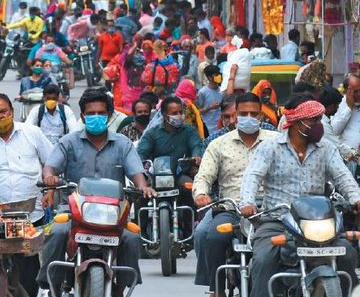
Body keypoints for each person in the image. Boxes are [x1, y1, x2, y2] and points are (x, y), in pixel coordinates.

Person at [37, 90, 156, 296]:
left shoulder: (122, 143)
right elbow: (50, 167)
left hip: (113, 212)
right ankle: (52, 285)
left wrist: (143, 185)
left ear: (109, 115)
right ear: (82, 116)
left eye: (101, 113)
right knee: (56, 233)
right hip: (73, 209)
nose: (96, 117)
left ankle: (120, 289)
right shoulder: (68, 142)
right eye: (90, 113)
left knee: (131, 238)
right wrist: (50, 177)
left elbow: (136, 172)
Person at [240, 95, 360, 297]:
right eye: (314, 121)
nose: (319, 125)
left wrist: (356, 198)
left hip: (318, 222)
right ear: (297, 123)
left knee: (347, 254)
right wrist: (248, 203)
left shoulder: (326, 148)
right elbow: (253, 176)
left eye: (320, 120)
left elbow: (343, 177)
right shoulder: (270, 147)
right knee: (263, 259)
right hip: (278, 220)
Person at [0, 93, 53, 297]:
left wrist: (50, 190)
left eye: (3, 111)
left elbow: (51, 165)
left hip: (31, 214)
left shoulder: (32, 133)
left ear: (12, 111)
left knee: (28, 270)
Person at [193, 93, 275, 296]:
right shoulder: (218, 144)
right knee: (213, 237)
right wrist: (201, 194)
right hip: (232, 209)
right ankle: (218, 289)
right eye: (244, 113)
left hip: (270, 210)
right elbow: (203, 176)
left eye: (254, 114)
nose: (249, 117)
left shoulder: (276, 141)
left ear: (261, 116)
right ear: (236, 115)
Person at [137, 96, 202, 215]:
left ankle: (191, 225)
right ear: (164, 115)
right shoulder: (152, 133)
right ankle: (141, 227)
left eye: (180, 112)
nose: (179, 115)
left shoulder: (189, 131)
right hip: (156, 176)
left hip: (180, 174)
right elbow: (141, 152)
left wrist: (196, 156)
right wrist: (142, 163)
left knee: (190, 188)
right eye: (174, 113)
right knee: (141, 194)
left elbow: (196, 146)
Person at [331, 72, 360, 152]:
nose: (359, 94)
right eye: (355, 91)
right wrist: (349, 109)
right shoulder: (339, 104)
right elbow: (335, 131)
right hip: (347, 156)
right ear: (347, 90)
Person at [197, 65, 223, 135]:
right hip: (209, 129)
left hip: (221, 128)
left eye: (219, 74)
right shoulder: (202, 92)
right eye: (216, 75)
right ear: (209, 77)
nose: (218, 76)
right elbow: (198, 112)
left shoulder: (222, 90)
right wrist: (210, 107)